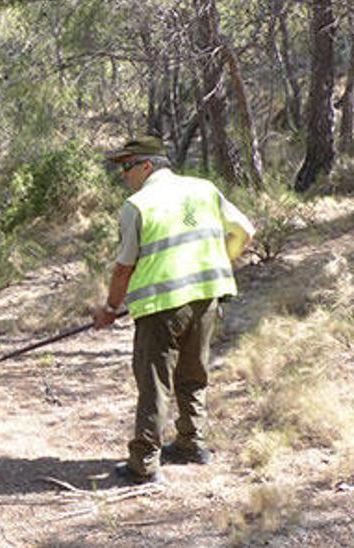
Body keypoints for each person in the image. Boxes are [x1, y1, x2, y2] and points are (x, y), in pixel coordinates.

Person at [93, 136, 255, 484]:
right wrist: (220, 263)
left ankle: (144, 464)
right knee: (193, 373)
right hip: (207, 297)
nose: (123, 175)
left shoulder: (136, 205)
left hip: (160, 309)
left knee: (154, 382)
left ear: (147, 165)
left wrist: (109, 308)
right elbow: (245, 231)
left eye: (127, 166)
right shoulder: (205, 189)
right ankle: (192, 443)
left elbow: (124, 268)